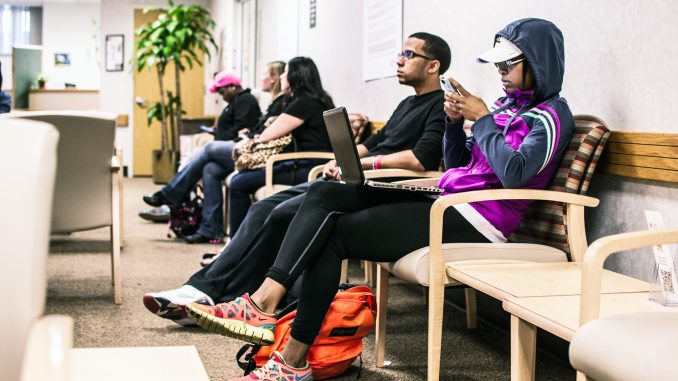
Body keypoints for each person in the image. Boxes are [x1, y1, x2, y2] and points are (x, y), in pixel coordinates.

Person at [187, 18, 575, 380]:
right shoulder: (506, 108)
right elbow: (458, 164)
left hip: (478, 220)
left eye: (508, 64)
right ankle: (270, 312)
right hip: (448, 199)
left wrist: (484, 118)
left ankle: (286, 348)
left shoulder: (550, 115)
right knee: (326, 193)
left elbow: (515, 173)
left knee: (333, 234)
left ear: (537, 64)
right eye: (498, 66)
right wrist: (456, 125)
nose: (501, 73)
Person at [142, 32, 452, 324]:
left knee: (282, 213)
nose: (399, 60)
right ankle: (207, 291)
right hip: (357, 178)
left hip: (386, 186)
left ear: (432, 65)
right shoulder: (406, 104)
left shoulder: (441, 105)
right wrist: (343, 158)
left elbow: (420, 158)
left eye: (408, 54)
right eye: (400, 53)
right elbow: (373, 143)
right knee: (262, 208)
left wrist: (364, 164)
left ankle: (218, 294)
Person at [141, 71, 264, 243]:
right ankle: (210, 230)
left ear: (232, 87)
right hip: (233, 150)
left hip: (243, 152)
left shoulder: (245, 100)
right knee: (210, 170)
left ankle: (169, 193)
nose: (221, 96)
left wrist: (224, 136)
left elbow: (241, 130)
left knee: (208, 148)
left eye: (222, 92)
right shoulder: (236, 101)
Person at [226, 56, 336, 236]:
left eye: (285, 73)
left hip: (309, 166)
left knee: (239, 183)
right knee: (238, 179)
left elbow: (266, 136)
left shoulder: (304, 103)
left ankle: (236, 245)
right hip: (312, 162)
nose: (282, 77)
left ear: (295, 77)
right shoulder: (320, 99)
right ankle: (241, 243)